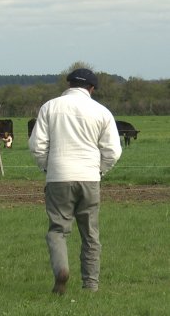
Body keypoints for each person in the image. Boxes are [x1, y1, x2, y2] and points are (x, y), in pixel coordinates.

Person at [28, 68, 122, 295]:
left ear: (69, 84)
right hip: (89, 177)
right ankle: (91, 285)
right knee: (90, 234)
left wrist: (47, 167)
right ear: (91, 88)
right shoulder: (101, 112)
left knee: (58, 230)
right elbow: (113, 151)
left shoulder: (49, 107)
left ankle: (61, 270)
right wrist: (99, 171)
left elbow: (37, 145)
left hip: (59, 176)